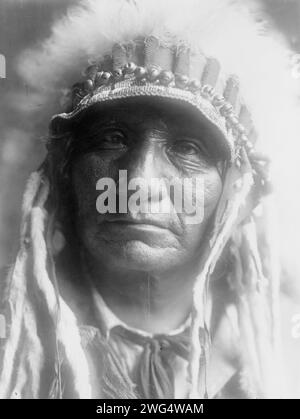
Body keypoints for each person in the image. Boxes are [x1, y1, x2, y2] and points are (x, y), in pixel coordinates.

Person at [0, 0, 298, 399]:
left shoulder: (281, 354)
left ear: (237, 194)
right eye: (111, 138)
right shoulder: (14, 340)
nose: (139, 182)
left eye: (189, 148)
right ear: (63, 171)